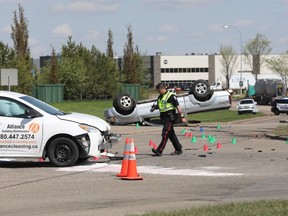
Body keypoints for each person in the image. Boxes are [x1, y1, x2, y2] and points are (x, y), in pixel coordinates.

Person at [150, 83, 187, 156]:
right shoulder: (160, 96)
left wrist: (182, 117)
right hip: (164, 117)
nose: (158, 92)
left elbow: (178, 107)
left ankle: (159, 150)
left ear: (163, 88)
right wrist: (155, 107)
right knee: (171, 134)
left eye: (159, 90)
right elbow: (162, 105)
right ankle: (178, 149)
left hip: (169, 117)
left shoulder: (171, 96)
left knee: (165, 133)